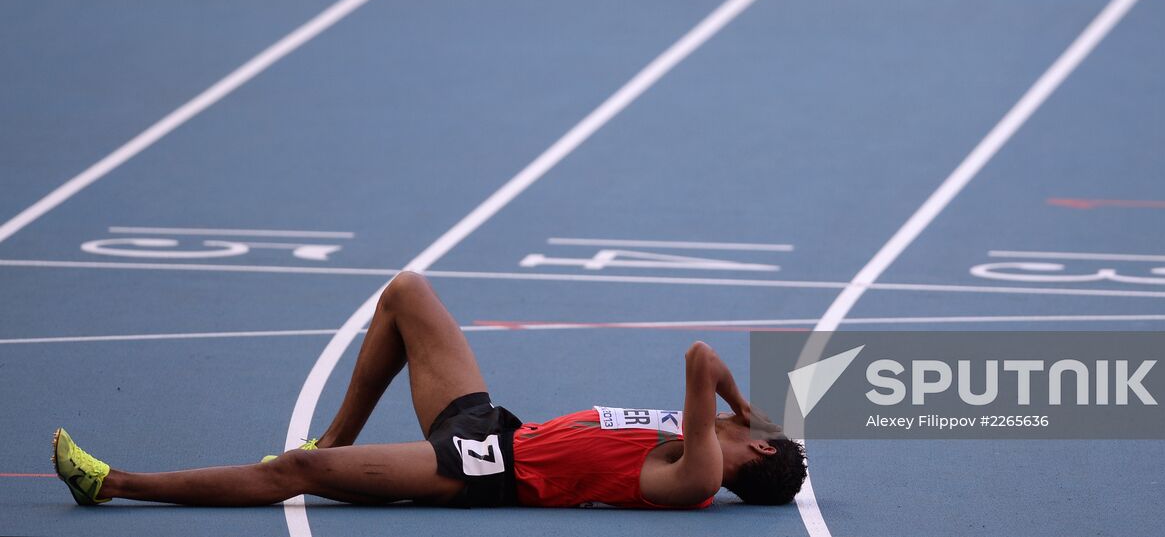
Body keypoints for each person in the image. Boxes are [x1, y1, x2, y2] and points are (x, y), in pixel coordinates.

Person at [52, 270, 807, 509]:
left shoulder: (705, 468)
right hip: (497, 427)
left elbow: (702, 354)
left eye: (760, 424)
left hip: (485, 471)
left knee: (296, 473)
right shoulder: (696, 442)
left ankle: (113, 482)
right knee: (407, 293)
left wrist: (740, 407)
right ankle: (340, 432)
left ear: (758, 444)